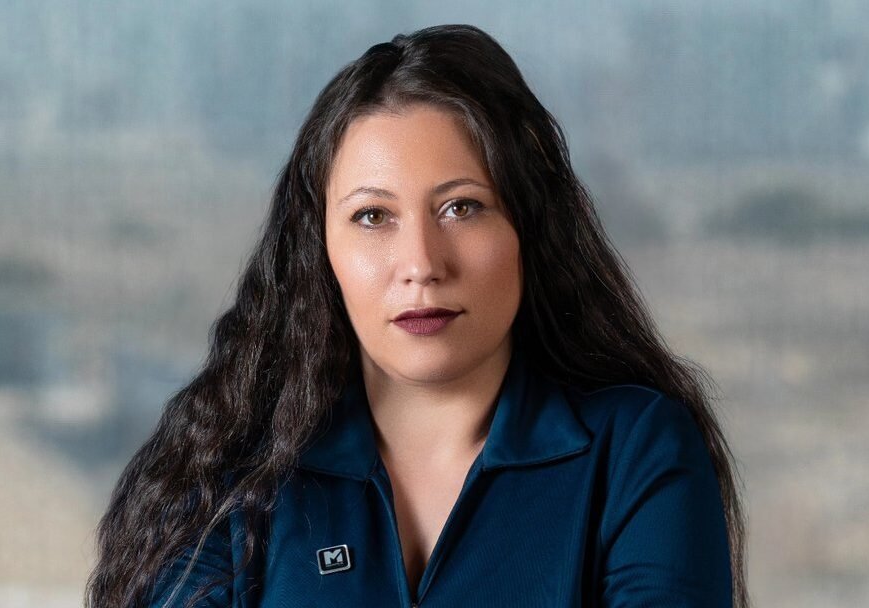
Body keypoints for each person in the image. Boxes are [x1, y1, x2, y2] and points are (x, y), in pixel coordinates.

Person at [85, 23, 748, 608]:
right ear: (320, 249)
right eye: (373, 216)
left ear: (529, 226)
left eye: (462, 207)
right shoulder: (232, 474)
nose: (421, 263)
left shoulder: (636, 450)